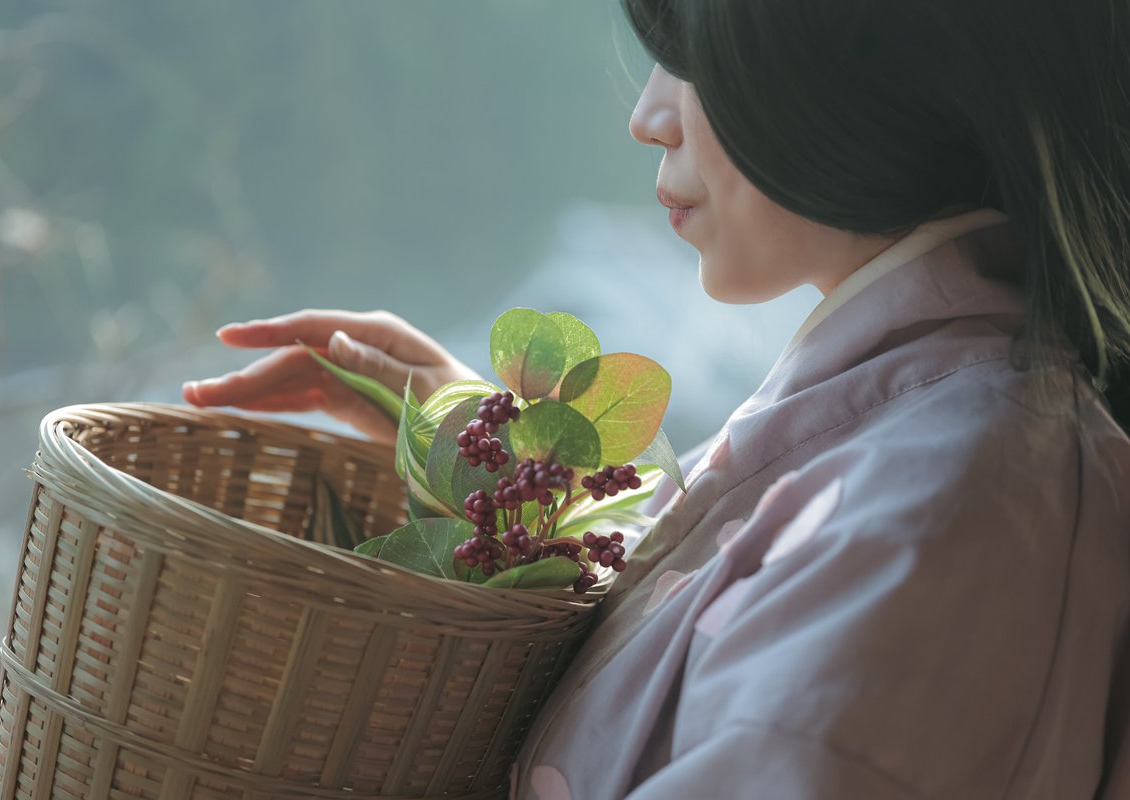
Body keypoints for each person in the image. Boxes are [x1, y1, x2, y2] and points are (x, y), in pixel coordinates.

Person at [184, 0, 1130, 796]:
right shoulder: (939, 440)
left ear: (865, 54)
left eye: (691, 59)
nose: (647, 116)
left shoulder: (942, 511)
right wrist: (502, 465)